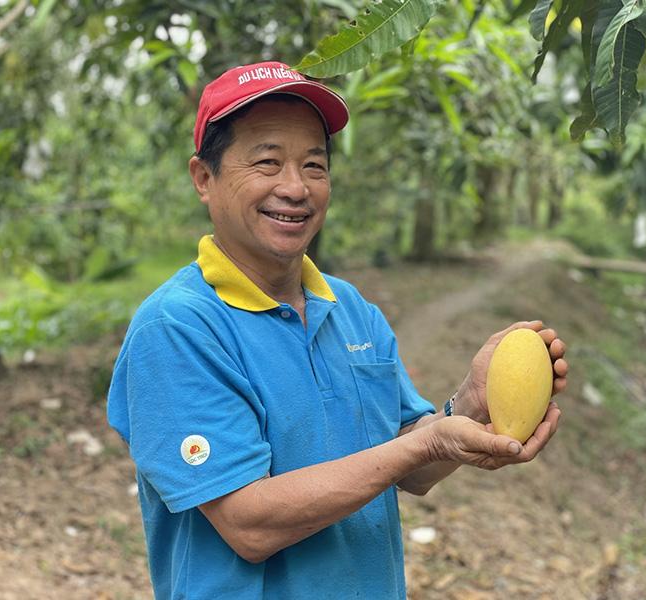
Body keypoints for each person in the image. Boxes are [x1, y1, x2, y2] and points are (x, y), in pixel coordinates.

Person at [107, 61, 568, 600]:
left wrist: (466, 408)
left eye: (314, 165)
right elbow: (248, 522)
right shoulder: (177, 328)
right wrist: (426, 445)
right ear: (204, 179)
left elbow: (409, 469)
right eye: (267, 162)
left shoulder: (349, 308)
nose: (296, 187)